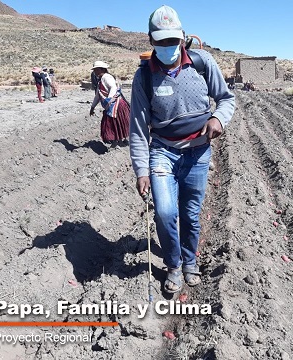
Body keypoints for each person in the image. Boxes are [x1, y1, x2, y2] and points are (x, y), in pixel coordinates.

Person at [129, 5, 235, 293]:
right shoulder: (144, 77)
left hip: (198, 152)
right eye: (161, 41)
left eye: (172, 41)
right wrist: (141, 171)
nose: (167, 47)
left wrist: (217, 119)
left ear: (182, 38)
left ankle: (190, 261)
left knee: (190, 212)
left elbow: (226, 99)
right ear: (151, 41)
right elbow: (138, 129)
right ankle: (173, 264)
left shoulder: (202, 63)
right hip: (163, 151)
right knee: (164, 212)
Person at [89, 61, 130, 148]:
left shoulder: (107, 77)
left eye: (96, 70)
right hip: (112, 105)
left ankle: (117, 141)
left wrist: (109, 100)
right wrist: (92, 107)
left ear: (101, 69)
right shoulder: (101, 80)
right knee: (113, 123)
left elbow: (113, 87)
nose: (95, 72)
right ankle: (118, 141)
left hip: (116, 105)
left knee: (112, 123)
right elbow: (98, 95)